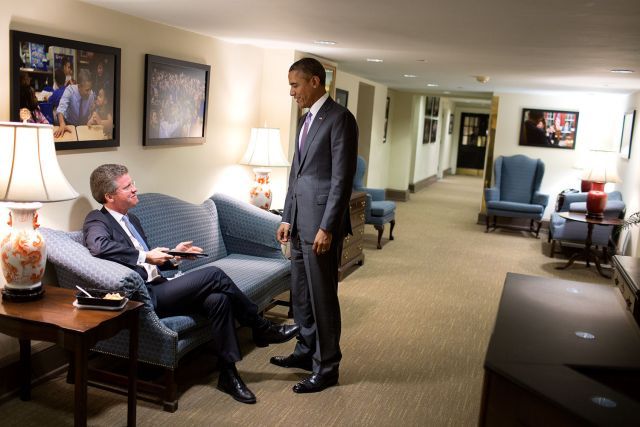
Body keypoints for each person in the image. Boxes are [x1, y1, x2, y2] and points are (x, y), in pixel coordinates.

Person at [83, 164, 299, 404]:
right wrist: (146, 256)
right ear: (109, 196)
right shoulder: (97, 219)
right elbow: (99, 246)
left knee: (219, 300)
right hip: (147, 296)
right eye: (128, 187)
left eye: (132, 183)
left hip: (162, 284)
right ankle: (261, 325)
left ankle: (228, 373)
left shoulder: (131, 218)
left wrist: (174, 255)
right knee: (214, 274)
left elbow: (151, 261)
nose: (135, 189)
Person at [273, 58, 358, 393]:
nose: (292, 92)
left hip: (322, 227)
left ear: (315, 81)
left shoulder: (341, 119)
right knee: (302, 295)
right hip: (298, 224)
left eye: (295, 85)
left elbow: (341, 180)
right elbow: (297, 173)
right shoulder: (305, 121)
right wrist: (286, 217)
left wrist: (328, 226)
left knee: (323, 297)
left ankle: (327, 366)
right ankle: (306, 352)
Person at [55, 69, 96, 138]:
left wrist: (92, 117)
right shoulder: (70, 90)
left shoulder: (91, 94)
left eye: (90, 89)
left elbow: (91, 110)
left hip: (84, 126)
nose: (89, 93)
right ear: (79, 86)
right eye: (87, 90)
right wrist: (62, 124)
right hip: (70, 124)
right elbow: (61, 109)